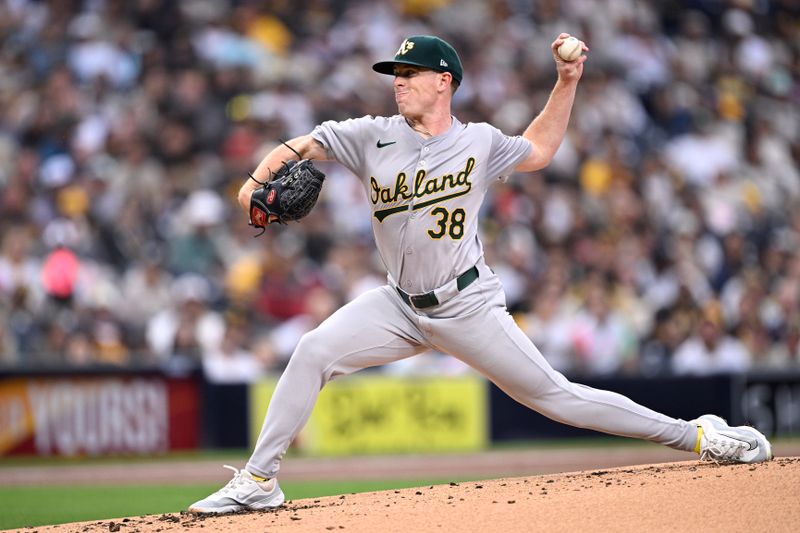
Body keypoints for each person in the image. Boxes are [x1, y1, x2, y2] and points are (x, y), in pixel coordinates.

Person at [189, 34, 772, 514]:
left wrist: (566, 84)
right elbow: (304, 144)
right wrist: (251, 183)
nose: (398, 80)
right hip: (399, 306)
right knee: (312, 350)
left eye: (410, 72)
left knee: (557, 398)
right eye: (395, 72)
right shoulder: (372, 134)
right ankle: (260, 482)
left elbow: (539, 149)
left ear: (444, 81)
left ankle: (696, 435)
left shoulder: (478, 143)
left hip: (468, 305)